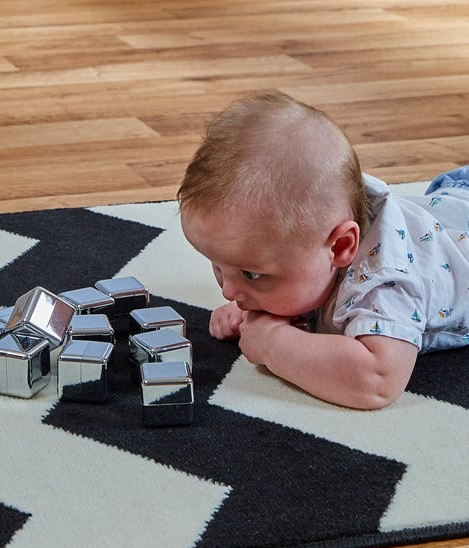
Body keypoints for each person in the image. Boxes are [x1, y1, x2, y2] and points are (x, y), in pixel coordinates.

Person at [178, 92, 468, 409]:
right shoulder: (315, 233)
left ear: (341, 247)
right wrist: (258, 304)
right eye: (219, 266)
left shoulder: (384, 282)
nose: (228, 290)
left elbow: (377, 381)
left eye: (252, 273)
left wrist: (275, 343)